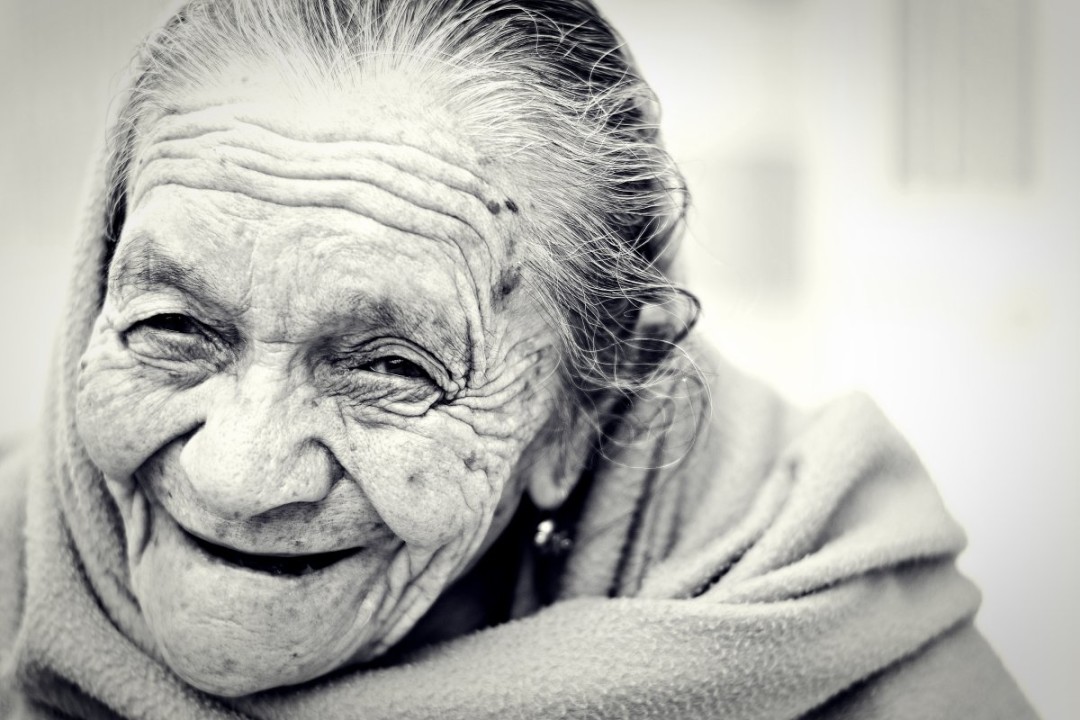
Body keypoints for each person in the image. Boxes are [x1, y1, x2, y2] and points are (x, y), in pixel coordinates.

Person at [0, 1, 1038, 717]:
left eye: (392, 369)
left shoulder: (838, 652)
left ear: (575, 418)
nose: (237, 474)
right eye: (173, 328)